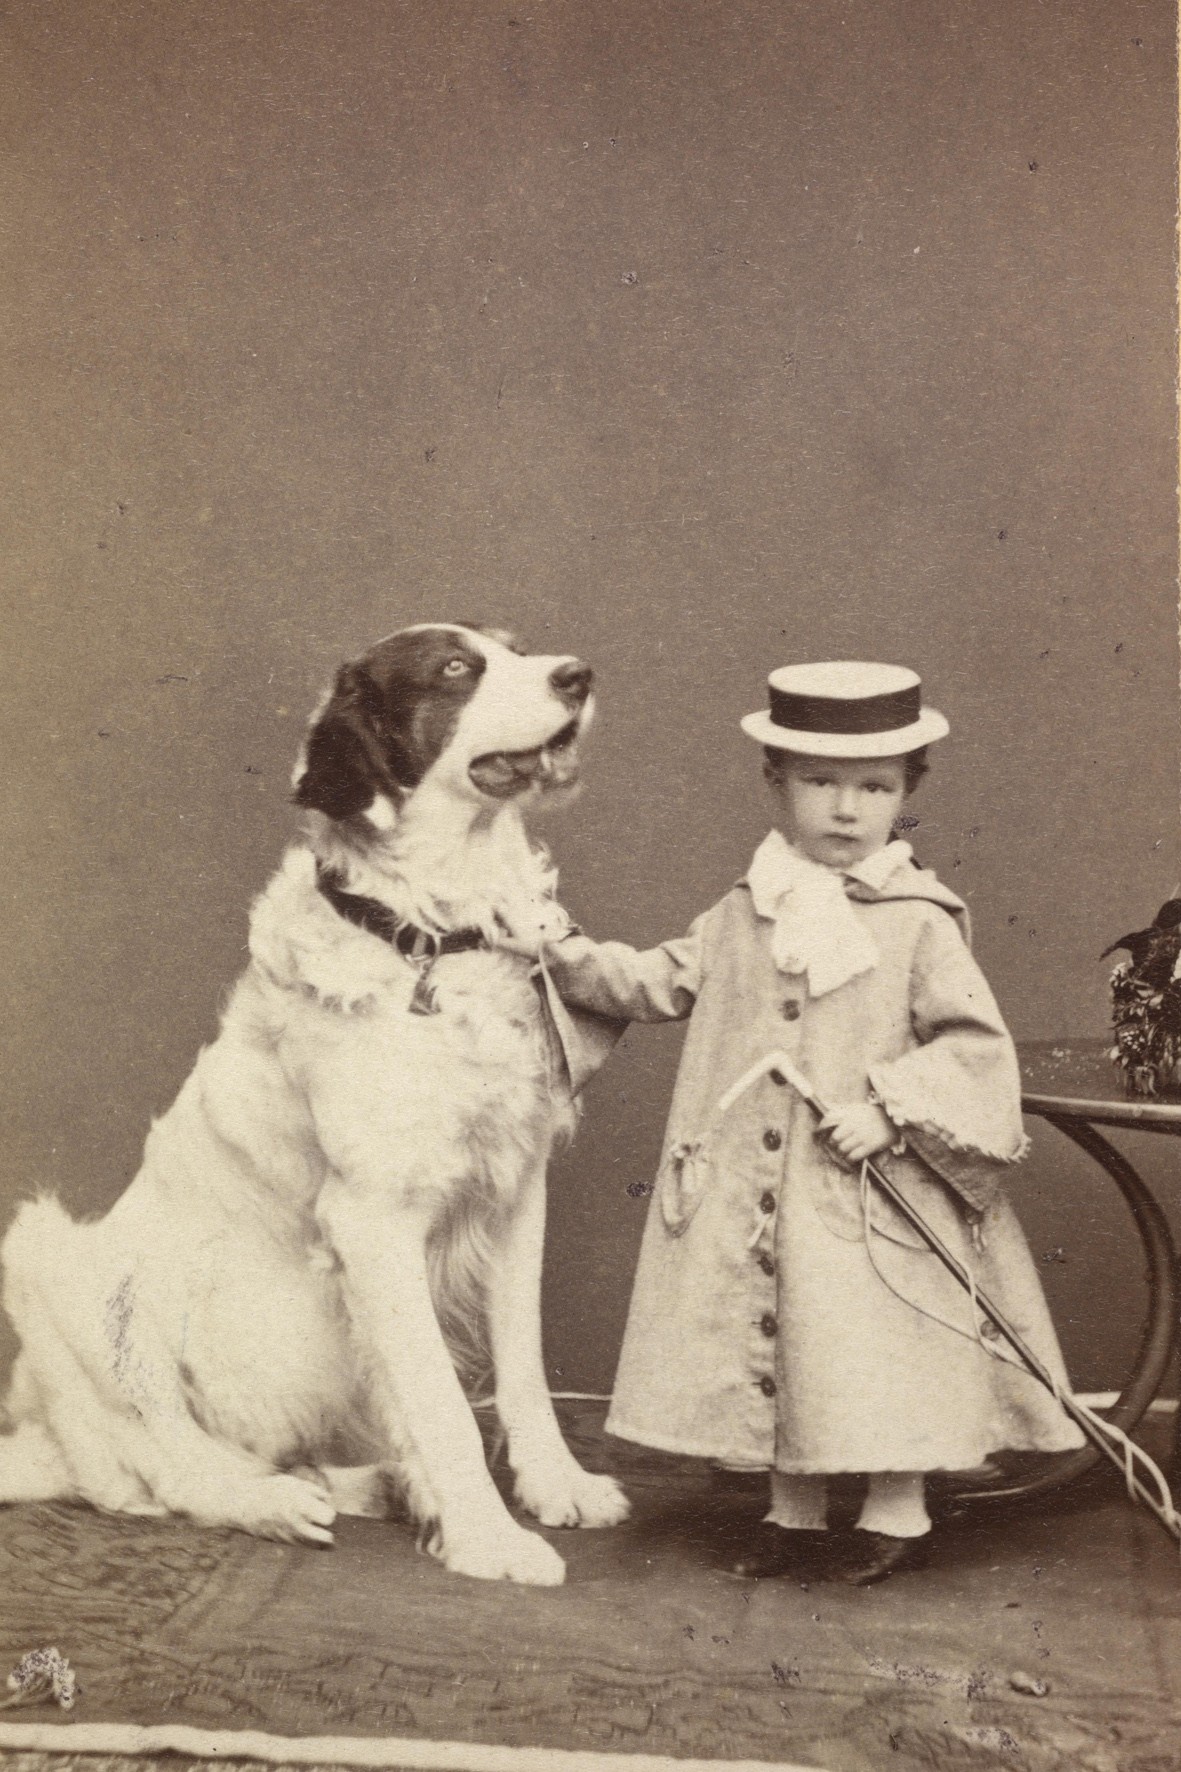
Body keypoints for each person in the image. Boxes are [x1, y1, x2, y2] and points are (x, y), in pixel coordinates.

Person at [529, 660, 1083, 1585]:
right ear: (775, 783)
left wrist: (891, 1111)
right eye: (820, 782)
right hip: (758, 1186)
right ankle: (791, 1513)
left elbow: (973, 1047)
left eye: (875, 788)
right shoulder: (745, 909)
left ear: (905, 793)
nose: (846, 808)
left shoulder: (916, 921)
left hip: (869, 1193)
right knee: (782, 1334)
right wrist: (560, 951)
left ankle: (896, 1511)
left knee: (874, 1345)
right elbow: (658, 980)